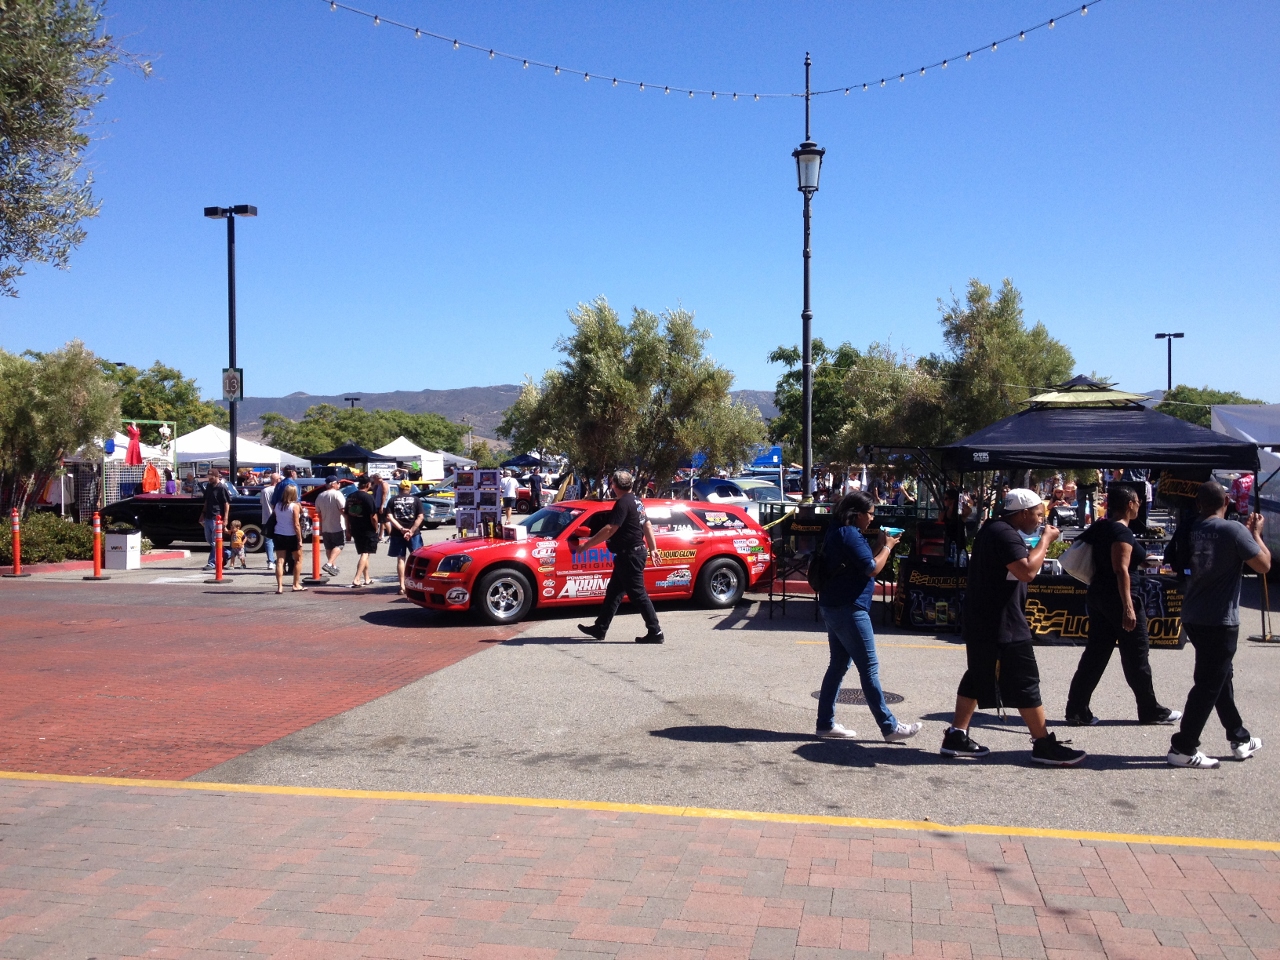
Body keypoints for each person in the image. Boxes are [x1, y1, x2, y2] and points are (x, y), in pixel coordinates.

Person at [940, 488, 1086, 765]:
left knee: (978, 676)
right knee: (1025, 681)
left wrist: (1035, 544)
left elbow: (1015, 566)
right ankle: (1043, 743)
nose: (1041, 520)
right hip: (1002, 624)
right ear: (1022, 513)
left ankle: (956, 734)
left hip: (988, 620)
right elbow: (1027, 571)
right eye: (1038, 514)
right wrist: (1045, 540)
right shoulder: (1005, 533)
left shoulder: (993, 530)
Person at [1166, 482, 1271, 768]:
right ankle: (1183, 747)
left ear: (1198, 503)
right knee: (1208, 684)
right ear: (1226, 500)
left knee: (1220, 678)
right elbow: (1263, 565)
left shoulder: (1190, 527)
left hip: (1193, 613)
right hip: (1220, 618)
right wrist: (1256, 535)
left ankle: (1239, 736)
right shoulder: (1233, 530)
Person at [1064, 485, 1181, 726]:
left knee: (1095, 655)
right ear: (1130, 504)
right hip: (1119, 598)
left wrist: (1144, 561)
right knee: (1136, 656)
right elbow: (1120, 569)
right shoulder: (1121, 532)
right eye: (1138, 502)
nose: (1140, 505)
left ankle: (1076, 709)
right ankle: (1150, 710)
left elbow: (1115, 562)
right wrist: (1128, 607)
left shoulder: (1101, 527)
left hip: (1098, 595)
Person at [814, 492, 920, 742]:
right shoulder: (849, 533)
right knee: (869, 668)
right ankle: (889, 727)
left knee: (838, 666)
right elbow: (872, 568)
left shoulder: (839, 530)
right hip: (849, 608)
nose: (872, 519)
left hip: (835, 604)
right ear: (857, 514)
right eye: (870, 514)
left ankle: (825, 724)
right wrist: (887, 547)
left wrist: (881, 544)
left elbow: (862, 561)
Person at [577, 470, 665, 644]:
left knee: (638, 594)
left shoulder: (623, 503)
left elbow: (610, 528)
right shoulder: (636, 501)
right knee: (614, 593)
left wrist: (586, 545)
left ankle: (655, 631)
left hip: (630, 555)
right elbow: (646, 524)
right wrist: (653, 548)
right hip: (629, 554)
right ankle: (600, 628)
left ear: (614, 485)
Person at [385, 479, 426, 594]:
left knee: (400, 559)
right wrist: (411, 531)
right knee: (417, 558)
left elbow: (389, 517)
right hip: (414, 533)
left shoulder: (393, 500)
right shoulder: (416, 500)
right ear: (410, 489)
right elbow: (420, 517)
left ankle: (402, 586)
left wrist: (402, 529)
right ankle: (417, 584)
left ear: (399, 488)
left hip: (398, 533)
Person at [344, 476, 380, 588]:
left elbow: (346, 515)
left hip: (355, 527)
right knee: (365, 553)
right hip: (367, 529)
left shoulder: (350, 496)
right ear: (368, 484)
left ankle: (367, 578)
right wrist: (376, 528)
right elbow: (373, 516)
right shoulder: (368, 497)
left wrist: (348, 530)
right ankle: (357, 578)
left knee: (365, 553)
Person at [272, 484, 306, 594]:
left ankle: (280, 587)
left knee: (280, 561)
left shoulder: (277, 505)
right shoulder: (294, 506)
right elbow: (296, 524)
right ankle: (295, 584)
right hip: (291, 535)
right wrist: (300, 539)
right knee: (298, 559)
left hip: (279, 534)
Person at [197, 468, 232, 571]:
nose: (209, 479)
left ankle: (212, 563)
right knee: (210, 540)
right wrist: (202, 514)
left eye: (211, 477)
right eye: (208, 477)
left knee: (215, 541)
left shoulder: (222, 488)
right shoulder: (209, 486)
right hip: (208, 516)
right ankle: (226, 553)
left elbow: (226, 504)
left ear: (216, 477)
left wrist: (225, 518)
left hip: (217, 517)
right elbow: (207, 501)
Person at [315, 475, 347, 577]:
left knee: (329, 548)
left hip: (325, 526)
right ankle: (329, 564)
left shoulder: (320, 496)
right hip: (338, 525)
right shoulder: (338, 494)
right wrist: (348, 521)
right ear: (333, 484)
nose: (339, 484)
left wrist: (320, 526)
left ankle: (333, 567)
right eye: (338, 483)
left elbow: (318, 513)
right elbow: (343, 510)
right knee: (339, 545)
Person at [259, 472, 280, 568]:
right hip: (278, 517)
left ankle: (270, 561)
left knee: (268, 540)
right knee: (279, 539)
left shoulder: (264, 491)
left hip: (267, 517)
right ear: (277, 480)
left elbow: (262, 503)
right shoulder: (279, 490)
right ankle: (279, 559)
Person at [372, 473, 392, 541]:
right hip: (379, 505)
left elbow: (384, 495)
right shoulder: (379, 485)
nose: (373, 480)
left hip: (384, 505)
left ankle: (391, 536)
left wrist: (382, 506)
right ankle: (380, 536)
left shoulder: (384, 484)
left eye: (374, 479)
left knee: (385, 521)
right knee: (382, 521)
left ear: (377, 478)